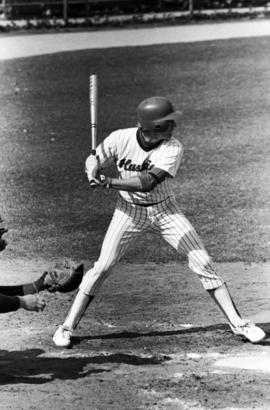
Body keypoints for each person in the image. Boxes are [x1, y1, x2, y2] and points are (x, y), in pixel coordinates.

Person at [53, 96, 265, 347]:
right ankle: (66, 326)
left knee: (203, 261)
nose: (174, 126)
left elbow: (148, 182)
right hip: (128, 213)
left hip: (166, 212)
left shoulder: (173, 147)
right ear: (154, 126)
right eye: (169, 122)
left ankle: (238, 323)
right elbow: (95, 157)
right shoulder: (120, 138)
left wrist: (109, 182)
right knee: (103, 266)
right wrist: (92, 168)